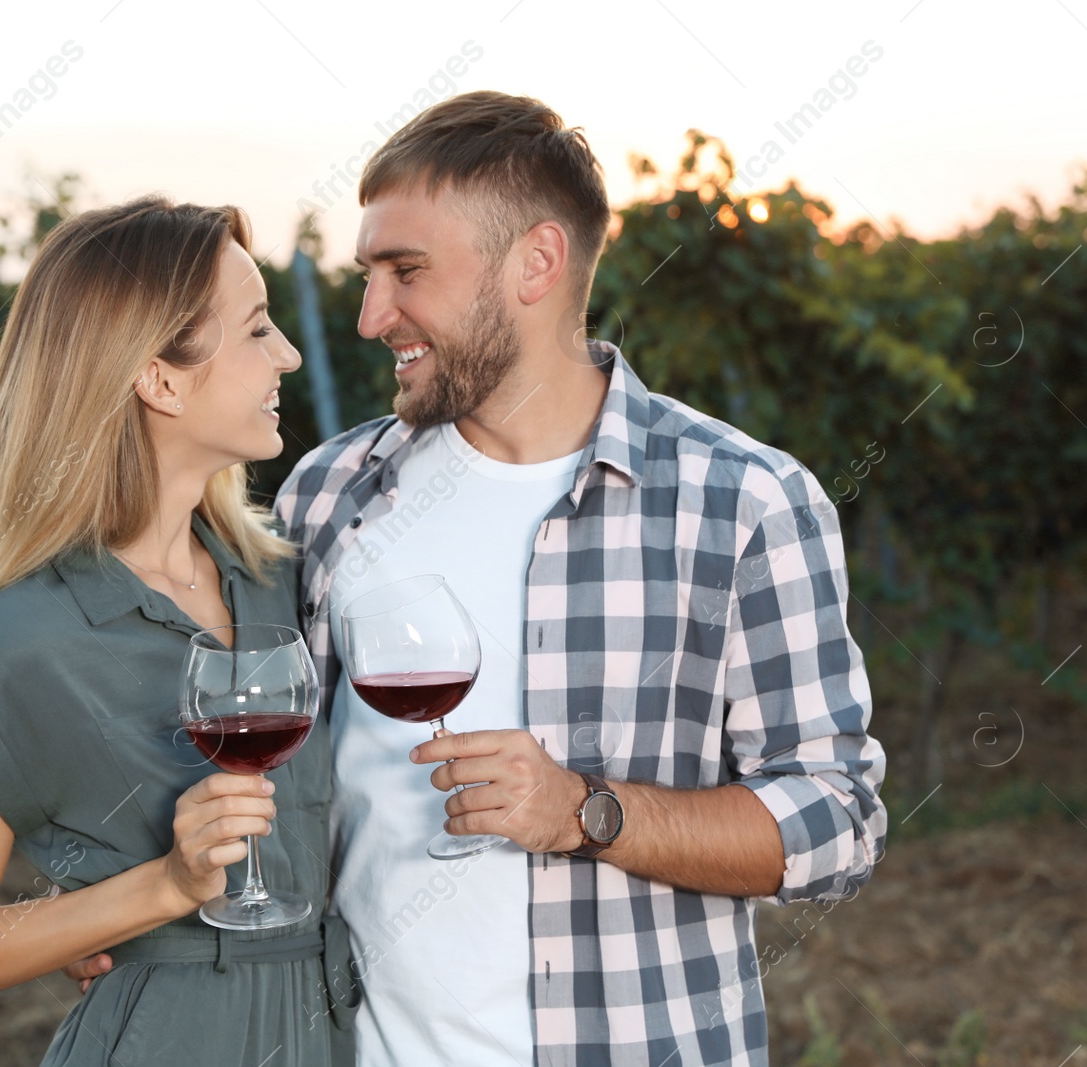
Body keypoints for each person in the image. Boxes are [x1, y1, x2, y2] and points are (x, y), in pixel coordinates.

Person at [273, 91, 887, 1067]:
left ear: (537, 262)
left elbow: (835, 825)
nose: (369, 315)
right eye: (367, 274)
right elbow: (272, 775)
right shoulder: (330, 494)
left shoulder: (743, 503)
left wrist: (583, 810)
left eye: (405, 272)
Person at [0, 195, 357, 1065]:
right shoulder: (27, 637)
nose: (287, 353)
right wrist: (161, 887)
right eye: (258, 330)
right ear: (161, 378)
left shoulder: (287, 582)